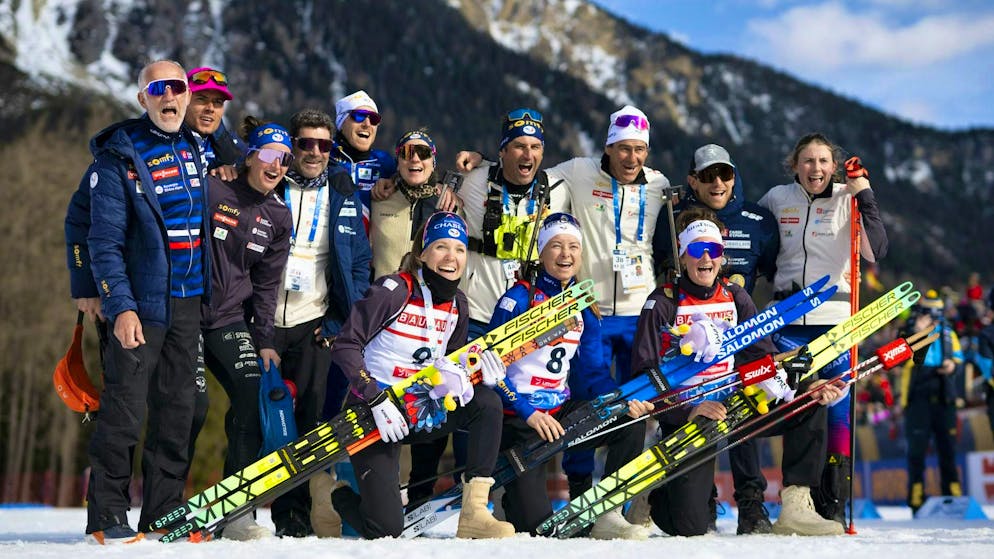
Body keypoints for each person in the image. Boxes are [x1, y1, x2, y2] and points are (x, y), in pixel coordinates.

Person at [632, 209, 845, 536]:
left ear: (722, 257)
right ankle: (654, 490)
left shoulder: (735, 295)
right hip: (692, 416)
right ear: (683, 257)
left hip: (736, 403)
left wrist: (802, 385)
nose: (706, 258)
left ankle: (796, 503)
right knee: (690, 526)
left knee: (808, 402)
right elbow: (644, 376)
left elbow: (762, 356)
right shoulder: (662, 302)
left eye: (714, 251)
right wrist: (688, 409)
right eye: (696, 250)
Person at [79, 60, 208, 544]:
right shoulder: (119, 157)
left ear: (187, 94)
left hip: (189, 303)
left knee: (178, 412)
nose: (169, 97)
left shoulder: (197, 148)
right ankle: (108, 513)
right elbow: (104, 241)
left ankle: (164, 510)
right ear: (143, 99)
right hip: (140, 305)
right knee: (125, 411)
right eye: (158, 89)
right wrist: (120, 306)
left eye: (178, 87)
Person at [328, 212, 515, 539]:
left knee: (486, 402)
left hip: (416, 411)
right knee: (384, 529)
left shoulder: (458, 303)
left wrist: (473, 377)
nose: (451, 257)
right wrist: (373, 397)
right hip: (372, 413)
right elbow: (345, 345)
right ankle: (328, 492)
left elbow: (452, 365)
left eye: (459, 249)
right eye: (441, 247)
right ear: (422, 253)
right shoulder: (394, 290)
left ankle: (473, 513)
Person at [490, 212, 653, 538]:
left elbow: (593, 371)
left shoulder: (582, 302)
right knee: (537, 529)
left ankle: (608, 512)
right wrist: (527, 412)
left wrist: (622, 401)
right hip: (521, 419)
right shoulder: (518, 298)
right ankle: (507, 499)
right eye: (556, 246)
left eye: (573, 247)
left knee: (628, 422)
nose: (566, 255)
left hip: (560, 415)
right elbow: (492, 371)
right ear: (541, 252)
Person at [758, 133, 888, 527]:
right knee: (795, 409)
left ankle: (833, 500)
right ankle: (795, 499)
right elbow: (758, 240)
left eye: (823, 161)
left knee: (836, 412)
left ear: (834, 166)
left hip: (836, 321)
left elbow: (876, 250)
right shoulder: (777, 199)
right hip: (788, 322)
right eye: (808, 161)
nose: (815, 168)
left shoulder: (847, 198)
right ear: (794, 164)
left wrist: (863, 192)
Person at [651, 143, 779, 534]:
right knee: (701, 407)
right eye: (708, 175)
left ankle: (752, 503)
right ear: (693, 180)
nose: (718, 182)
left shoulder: (758, 218)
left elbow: (776, 268)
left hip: (738, 326)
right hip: (689, 336)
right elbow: (661, 266)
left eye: (724, 174)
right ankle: (694, 492)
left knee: (744, 407)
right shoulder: (672, 217)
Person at [271, 108, 371, 537]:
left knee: (311, 420)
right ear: (291, 146)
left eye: (323, 145)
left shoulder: (343, 190)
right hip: (266, 318)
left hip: (315, 319)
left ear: (333, 151)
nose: (314, 152)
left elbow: (359, 261)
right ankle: (238, 513)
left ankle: (297, 515)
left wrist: (336, 321)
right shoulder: (269, 183)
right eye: (305, 143)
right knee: (255, 415)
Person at [200, 118, 294, 540]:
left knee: (252, 397)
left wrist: (266, 341)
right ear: (251, 156)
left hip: (229, 320)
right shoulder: (214, 187)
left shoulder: (278, 215)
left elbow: (267, 286)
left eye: (285, 160)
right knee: (186, 409)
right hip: (183, 314)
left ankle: (236, 512)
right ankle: (160, 508)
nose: (277, 165)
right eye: (271, 155)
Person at [899, 291, 964, 514]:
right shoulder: (908, 331)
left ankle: (953, 496)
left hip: (944, 393)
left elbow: (959, 358)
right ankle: (916, 499)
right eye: (929, 313)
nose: (933, 319)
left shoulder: (949, 333)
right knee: (916, 452)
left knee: (948, 449)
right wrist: (917, 332)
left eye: (937, 314)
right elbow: (902, 358)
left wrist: (953, 366)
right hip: (918, 396)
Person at [369, 129, 457, 278]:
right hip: (383, 297)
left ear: (433, 162)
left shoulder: (449, 205)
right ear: (398, 163)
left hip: (429, 299)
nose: (415, 159)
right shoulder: (378, 199)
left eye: (423, 153)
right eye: (407, 153)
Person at [331, 90, 397, 231]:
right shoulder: (323, 154)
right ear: (341, 122)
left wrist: (441, 187)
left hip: (367, 251)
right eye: (359, 116)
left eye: (374, 119)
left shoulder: (385, 162)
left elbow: (417, 176)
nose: (367, 123)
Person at [182, 66, 244, 171]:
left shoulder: (234, 148)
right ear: (184, 101)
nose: (210, 108)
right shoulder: (158, 143)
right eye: (201, 99)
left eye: (218, 102)